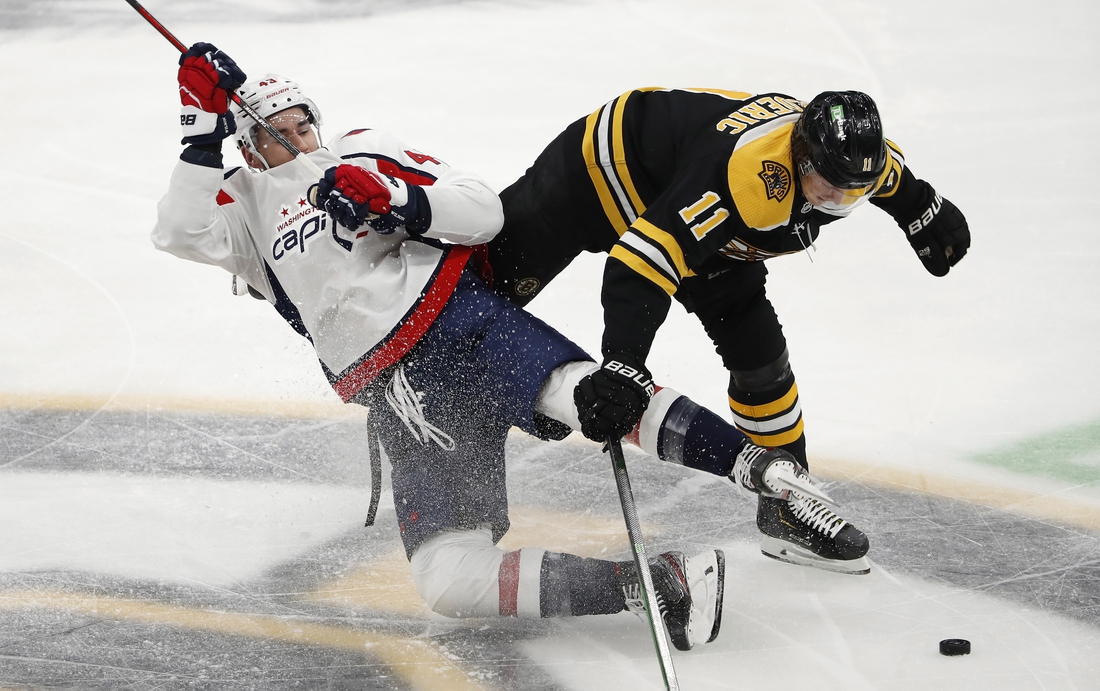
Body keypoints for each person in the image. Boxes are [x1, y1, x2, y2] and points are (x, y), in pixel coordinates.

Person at [153, 44, 864, 649]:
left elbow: (483, 210)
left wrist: (398, 201)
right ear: (244, 145)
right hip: (401, 399)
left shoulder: (363, 149)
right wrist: (197, 132)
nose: (291, 140)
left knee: (596, 396)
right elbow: (177, 233)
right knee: (446, 578)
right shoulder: (241, 209)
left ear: (317, 121)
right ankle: (655, 585)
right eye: (269, 133)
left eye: (300, 124)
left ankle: (773, 480)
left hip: (461, 324)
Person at [487, 87, 971, 574]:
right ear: (800, 156)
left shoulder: (852, 162)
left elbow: (889, 179)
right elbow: (641, 263)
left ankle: (786, 503)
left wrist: (922, 207)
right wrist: (624, 362)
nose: (836, 201)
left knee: (760, 355)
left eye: (852, 193)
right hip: (601, 172)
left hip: (713, 224)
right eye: (830, 186)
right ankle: (429, 371)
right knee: (484, 285)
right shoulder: (746, 179)